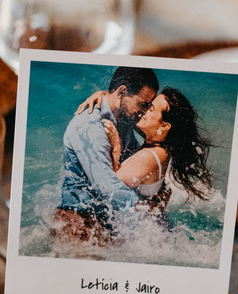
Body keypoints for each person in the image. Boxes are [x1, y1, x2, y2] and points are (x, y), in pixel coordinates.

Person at [54, 66, 159, 243]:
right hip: (79, 222)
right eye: (143, 104)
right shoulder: (90, 127)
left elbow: (154, 136)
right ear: (122, 92)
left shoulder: (124, 117)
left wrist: (103, 93)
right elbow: (106, 187)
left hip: (105, 217)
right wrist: (147, 212)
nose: (144, 111)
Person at [79, 85, 215, 222]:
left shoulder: (147, 157)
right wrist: (103, 95)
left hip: (136, 234)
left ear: (164, 126)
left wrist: (116, 148)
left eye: (151, 109)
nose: (144, 111)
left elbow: (108, 191)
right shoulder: (160, 148)